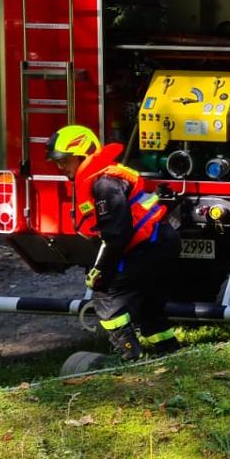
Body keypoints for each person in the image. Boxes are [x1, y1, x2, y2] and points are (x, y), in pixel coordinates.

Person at [46, 125, 180, 361]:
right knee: (146, 297)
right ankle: (167, 349)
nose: (61, 167)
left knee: (106, 294)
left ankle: (129, 354)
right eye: (58, 162)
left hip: (151, 245)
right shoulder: (102, 178)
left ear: (83, 155)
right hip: (158, 241)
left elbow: (116, 235)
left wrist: (100, 270)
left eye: (65, 160)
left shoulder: (105, 184)